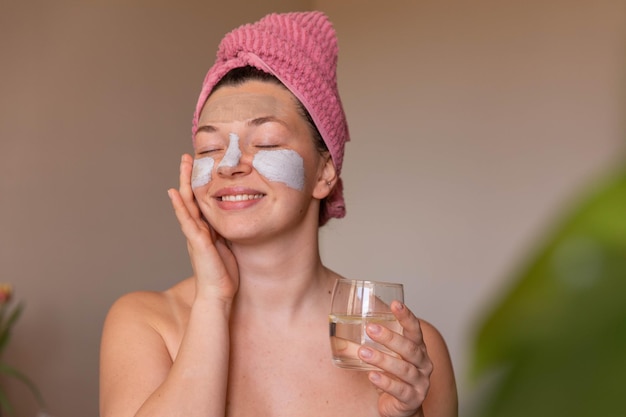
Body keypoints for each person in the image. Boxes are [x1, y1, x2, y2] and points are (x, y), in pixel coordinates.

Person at [99, 11, 458, 417]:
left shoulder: (401, 350)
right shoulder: (146, 324)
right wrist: (213, 301)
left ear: (324, 173)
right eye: (209, 148)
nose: (229, 164)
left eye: (266, 142)